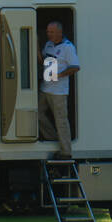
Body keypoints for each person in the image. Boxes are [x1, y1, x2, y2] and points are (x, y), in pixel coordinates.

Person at [38, 20, 80, 159]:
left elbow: (75, 67)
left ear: (59, 33)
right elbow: (43, 60)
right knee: (37, 114)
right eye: (48, 32)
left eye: (51, 32)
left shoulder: (68, 47)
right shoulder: (49, 44)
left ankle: (66, 152)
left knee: (61, 120)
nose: (48, 34)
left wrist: (59, 75)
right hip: (45, 88)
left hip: (59, 92)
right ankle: (53, 139)